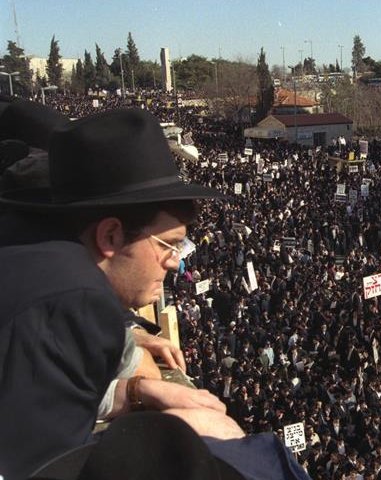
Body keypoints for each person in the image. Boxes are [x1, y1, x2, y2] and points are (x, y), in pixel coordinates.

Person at [0, 106, 299, 480]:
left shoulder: (33, 249)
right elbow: (45, 468)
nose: (175, 263)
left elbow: (43, 398)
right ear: (110, 236)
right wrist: (183, 441)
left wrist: (135, 392)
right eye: (168, 244)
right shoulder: (78, 302)